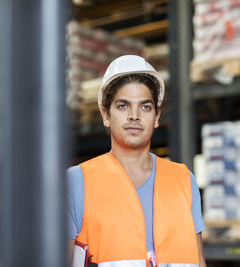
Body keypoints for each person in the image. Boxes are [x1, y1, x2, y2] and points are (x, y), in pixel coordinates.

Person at [67, 55, 206, 267]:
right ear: (105, 115)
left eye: (145, 107)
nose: (134, 115)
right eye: (123, 106)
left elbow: (198, 261)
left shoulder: (184, 180)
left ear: (157, 117)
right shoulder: (77, 181)